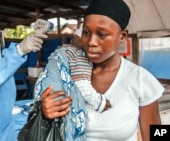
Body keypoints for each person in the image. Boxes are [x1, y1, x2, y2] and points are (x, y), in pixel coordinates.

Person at [35, 0, 164, 141]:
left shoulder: (140, 80)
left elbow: (157, 134)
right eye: (86, 32)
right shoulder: (64, 73)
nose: (91, 42)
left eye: (101, 34)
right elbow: (43, 129)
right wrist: (43, 113)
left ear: (122, 36)